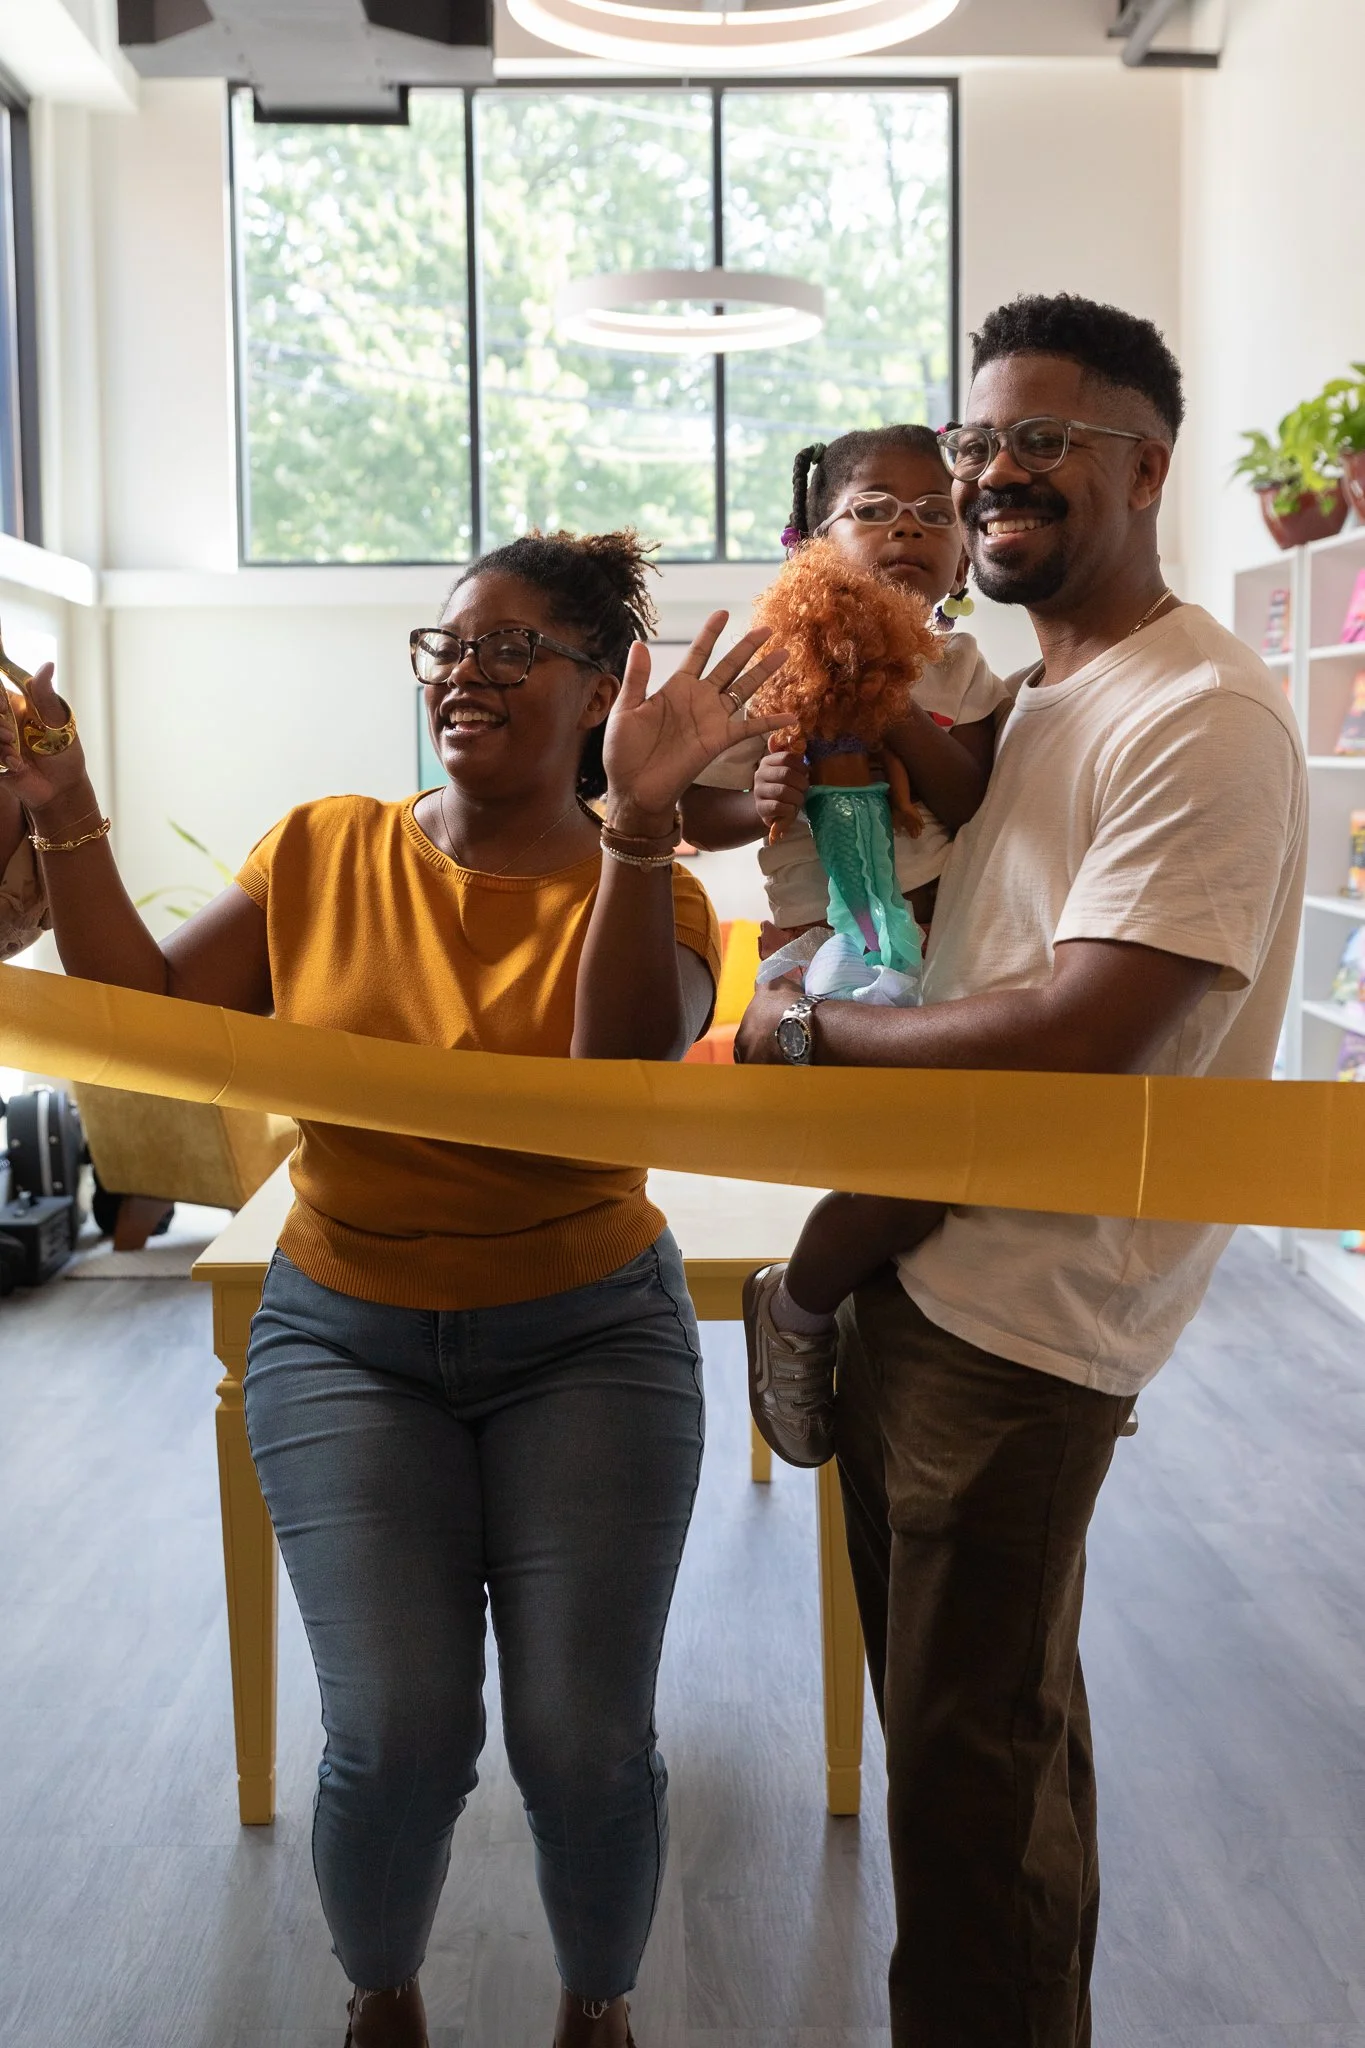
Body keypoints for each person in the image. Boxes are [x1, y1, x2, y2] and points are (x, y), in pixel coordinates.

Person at [0, 529, 787, 2048]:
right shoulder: (324, 850)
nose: (464, 675)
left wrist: (631, 831)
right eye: (447, 648)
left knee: (581, 1742)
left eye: (509, 649)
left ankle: (598, 2006)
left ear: (600, 691)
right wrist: (71, 813)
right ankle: (383, 2001)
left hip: (588, 1341)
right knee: (396, 1735)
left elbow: (618, 1083)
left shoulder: (660, 896)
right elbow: (151, 1020)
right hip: (343, 1337)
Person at [734, 294, 1307, 2048]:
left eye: (1038, 442)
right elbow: (954, 872)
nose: (989, 479)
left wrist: (809, 1041)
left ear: (1146, 463)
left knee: (964, 1810)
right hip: (934, 1275)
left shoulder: (1199, 714)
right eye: (976, 443)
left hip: (1028, 1317)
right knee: (986, 1756)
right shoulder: (1065, 690)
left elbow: (1077, 1028)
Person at [681, 425, 1016, 1467]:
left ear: (965, 549)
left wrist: (893, 700)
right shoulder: (771, 667)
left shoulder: (964, 667)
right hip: (817, 956)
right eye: (874, 509)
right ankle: (801, 1305)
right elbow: (703, 802)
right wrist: (762, 796)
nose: (909, 526)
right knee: (922, 1172)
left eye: (935, 511)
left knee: (959, 1166)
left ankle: (1023, 1351)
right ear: (813, 541)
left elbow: (967, 794)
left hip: (943, 948)